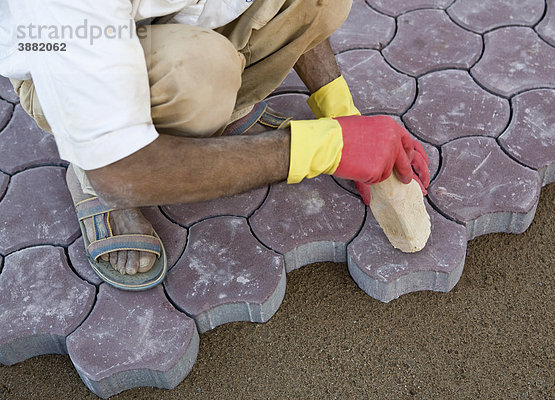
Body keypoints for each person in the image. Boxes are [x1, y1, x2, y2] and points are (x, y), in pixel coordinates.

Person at [0, 0, 430, 290]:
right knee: (200, 78)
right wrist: (326, 148)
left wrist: (341, 115)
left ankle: (224, 111)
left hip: (169, 17)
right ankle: (86, 163)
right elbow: (122, 169)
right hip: (63, 60)